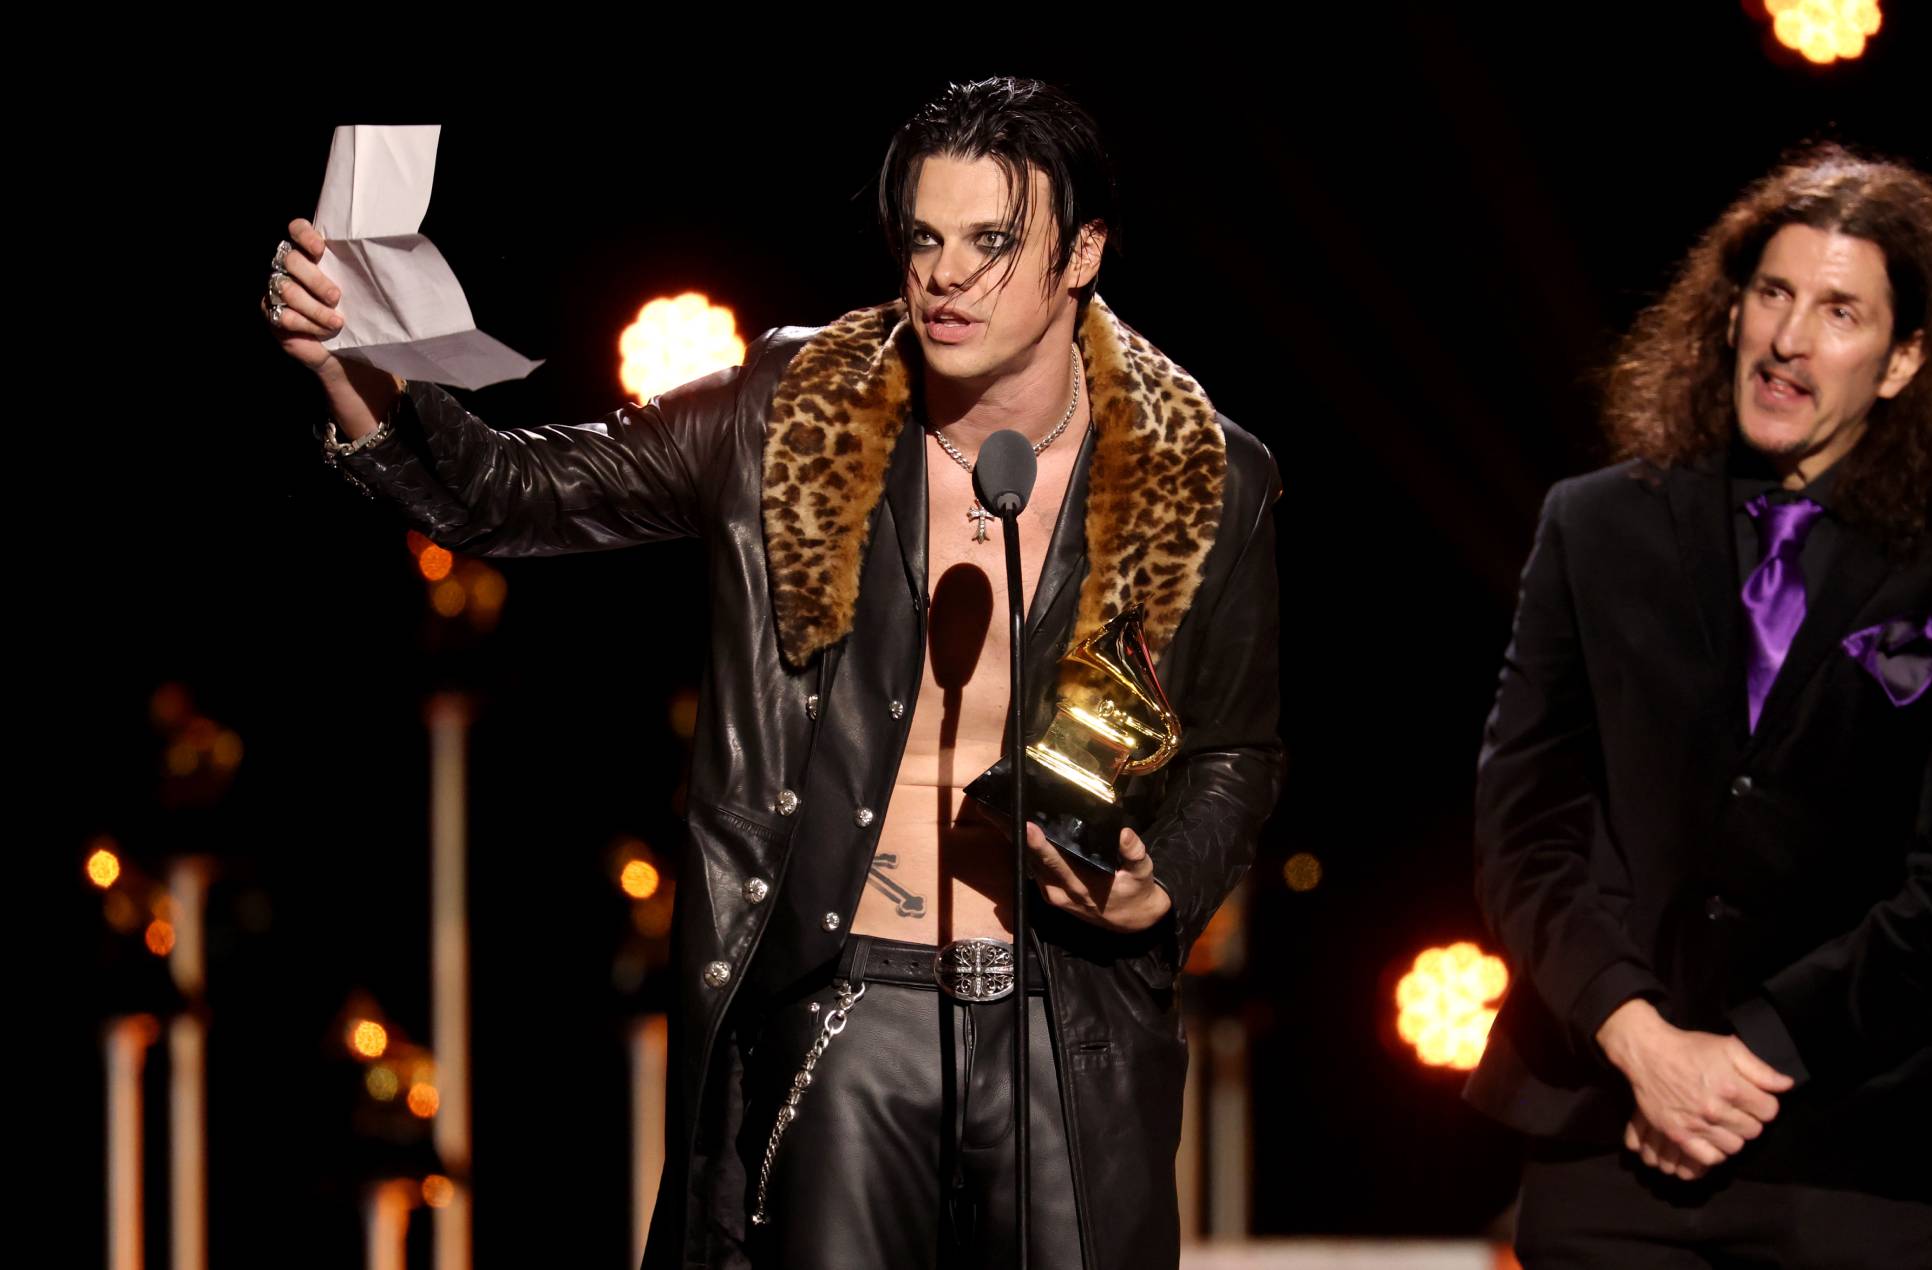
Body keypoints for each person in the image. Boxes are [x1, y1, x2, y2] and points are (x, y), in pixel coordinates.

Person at [264, 78, 1283, 1270]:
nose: (946, 276)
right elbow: (517, 495)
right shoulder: (791, 409)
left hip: (1070, 1031)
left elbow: (1235, 750)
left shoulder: (1204, 473)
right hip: (849, 1008)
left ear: (1082, 253)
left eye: (994, 243)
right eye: (924, 236)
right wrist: (363, 381)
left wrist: (1162, 892)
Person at [1467, 144, 1932, 1267]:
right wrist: (1642, 1041)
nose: (1788, 340)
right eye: (1771, 293)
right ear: (1729, 311)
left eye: (1838, 311)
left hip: (1852, 1155)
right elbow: (1525, 828)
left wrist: (1743, 1057)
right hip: (1605, 1132)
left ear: (1901, 360)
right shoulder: (1592, 526)